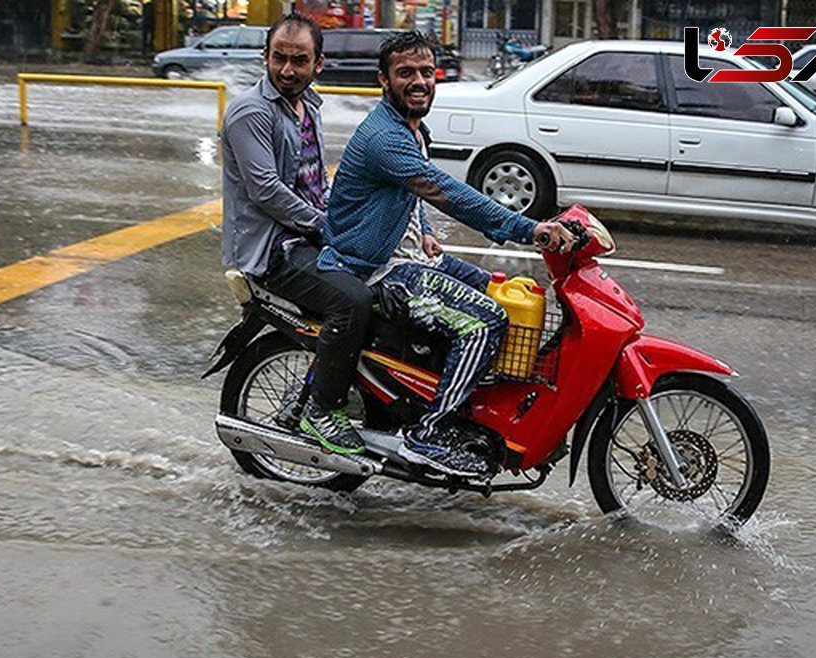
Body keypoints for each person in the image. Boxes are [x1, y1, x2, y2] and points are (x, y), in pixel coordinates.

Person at [319, 31, 574, 477]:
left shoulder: (413, 128)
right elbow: (445, 192)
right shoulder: (384, 136)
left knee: (501, 292)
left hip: (412, 255)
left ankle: (466, 405)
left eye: (424, 71)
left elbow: (410, 194)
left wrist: (426, 231)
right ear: (384, 80)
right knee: (484, 322)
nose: (418, 81)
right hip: (378, 270)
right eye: (405, 73)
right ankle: (429, 434)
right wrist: (528, 228)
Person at [220, 12, 375, 455]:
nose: (287, 70)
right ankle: (323, 410)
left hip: (304, 236)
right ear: (264, 58)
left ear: (318, 64)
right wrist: (326, 228)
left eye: (299, 60)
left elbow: (313, 182)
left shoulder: (309, 104)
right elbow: (266, 190)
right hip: (273, 249)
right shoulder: (251, 112)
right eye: (279, 59)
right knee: (352, 302)